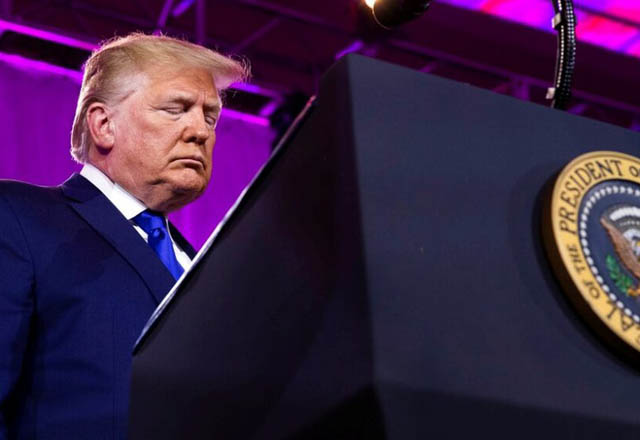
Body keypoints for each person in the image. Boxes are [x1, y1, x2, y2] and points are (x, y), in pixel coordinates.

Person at [0, 33, 248, 439]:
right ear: (103, 125)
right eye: (176, 109)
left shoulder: (203, 268)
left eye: (210, 117)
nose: (200, 131)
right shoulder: (17, 219)